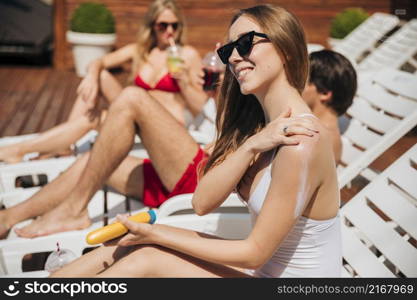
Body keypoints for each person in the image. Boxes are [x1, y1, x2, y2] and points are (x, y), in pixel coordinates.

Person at [50, 4, 341, 278]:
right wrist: (251, 145)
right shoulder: (263, 131)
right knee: (129, 242)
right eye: (229, 50)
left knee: (146, 254)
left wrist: (156, 233)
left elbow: (254, 253)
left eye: (245, 43)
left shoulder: (301, 142)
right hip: (262, 275)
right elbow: (201, 202)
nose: (235, 57)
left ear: (286, 48)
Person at [0, 0, 207, 164]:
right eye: (163, 25)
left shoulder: (186, 55)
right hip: (136, 112)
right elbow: (99, 62)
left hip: (165, 123)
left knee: (93, 119)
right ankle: (53, 146)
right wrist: (91, 77)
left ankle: (22, 149)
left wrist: (183, 82)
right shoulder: (140, 51)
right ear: (152, 26)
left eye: (174, 25)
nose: (169, 31)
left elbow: (201, 108)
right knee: (99, 76)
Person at [302, 49, 357, 163]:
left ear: (324, 93)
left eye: (302, 80)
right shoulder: (313, 129)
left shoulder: (321, 141)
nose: (295, 83)